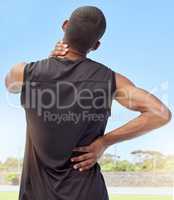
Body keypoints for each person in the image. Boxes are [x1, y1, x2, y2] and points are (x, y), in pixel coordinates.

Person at [5, 6, 171, 200]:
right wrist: (105, 142)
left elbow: (10, 84)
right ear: (96, 45)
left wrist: (47, 62)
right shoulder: (111, 80)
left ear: (65, 26)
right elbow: (160, 113)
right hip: (88, 192)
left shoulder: (26, 72)